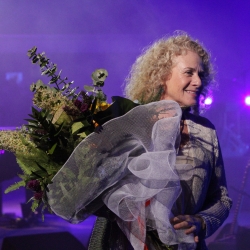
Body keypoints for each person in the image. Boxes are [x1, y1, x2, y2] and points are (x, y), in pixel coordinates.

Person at [47, 33, 232, 250]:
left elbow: (222, 198)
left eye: (201, 74)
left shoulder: (206, 131)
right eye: (189, 73)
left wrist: (202, 221)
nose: (198, 81)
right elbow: (97, 188)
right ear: (162, 76)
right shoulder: (128, 124)